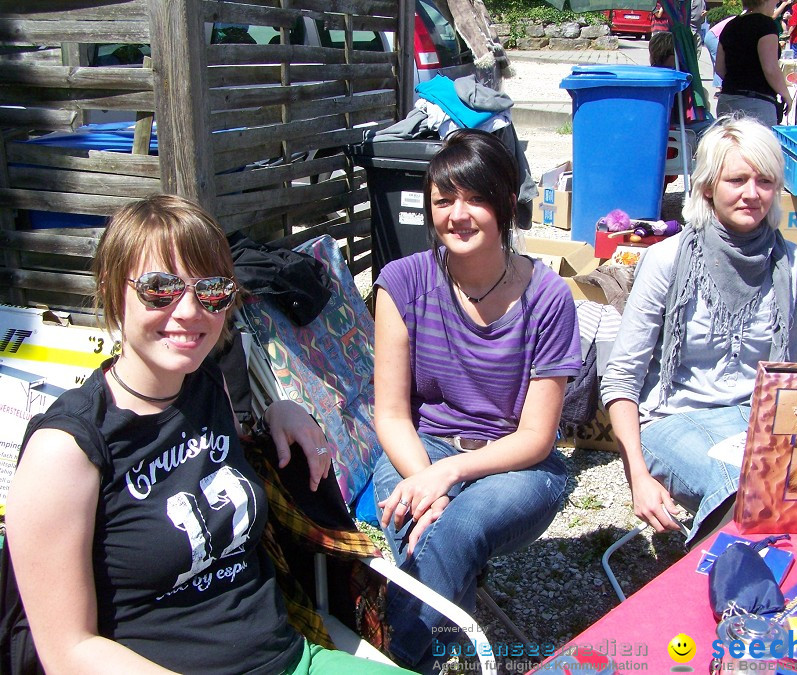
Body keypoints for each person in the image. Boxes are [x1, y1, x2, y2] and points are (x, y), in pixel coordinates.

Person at [5, 195, 411, 674]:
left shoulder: (205, 385)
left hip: (290, 658)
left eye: (212, 290)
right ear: (114, 289)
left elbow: (226, 446)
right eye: (160, 288)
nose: (189, 311)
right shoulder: (66, 450)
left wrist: (281, 409)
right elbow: (68, 651)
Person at [371, 129, 580, 671]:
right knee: (423, 522)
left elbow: (536, 437)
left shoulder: (549, 297)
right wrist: (426, 478)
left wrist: (448, 479)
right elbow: (391, 414)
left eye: (475, 199)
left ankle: (393, 660)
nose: (457, 215)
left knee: (456, 527)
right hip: (423, 448)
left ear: (507, 204)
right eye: (444, 201)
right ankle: (447, 632)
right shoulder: (401, 283)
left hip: (518, 463)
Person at [600, 116, 797, 547]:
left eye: (765, 180)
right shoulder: (667, 260)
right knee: (747, 487)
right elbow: (621, 378)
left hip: (759, 417)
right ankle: (728, 596)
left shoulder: (795, 265)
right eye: (737, 179)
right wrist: (637, 475)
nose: (752, 193)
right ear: (707, 186)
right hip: (676, 417)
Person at [716, 0, 794, 127]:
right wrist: (786, 95)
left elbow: (719, 68)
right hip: (756, 103)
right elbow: (770, 68)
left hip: (728, 98)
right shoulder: (766, 25)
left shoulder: (731, 25)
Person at [704, 15, 737, 90]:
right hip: (714, 37)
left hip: (711, 35)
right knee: (721, 62)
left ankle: (719, 86)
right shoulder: (739, 20)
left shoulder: (736, 18)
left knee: (718, 61)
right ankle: (720, 88)